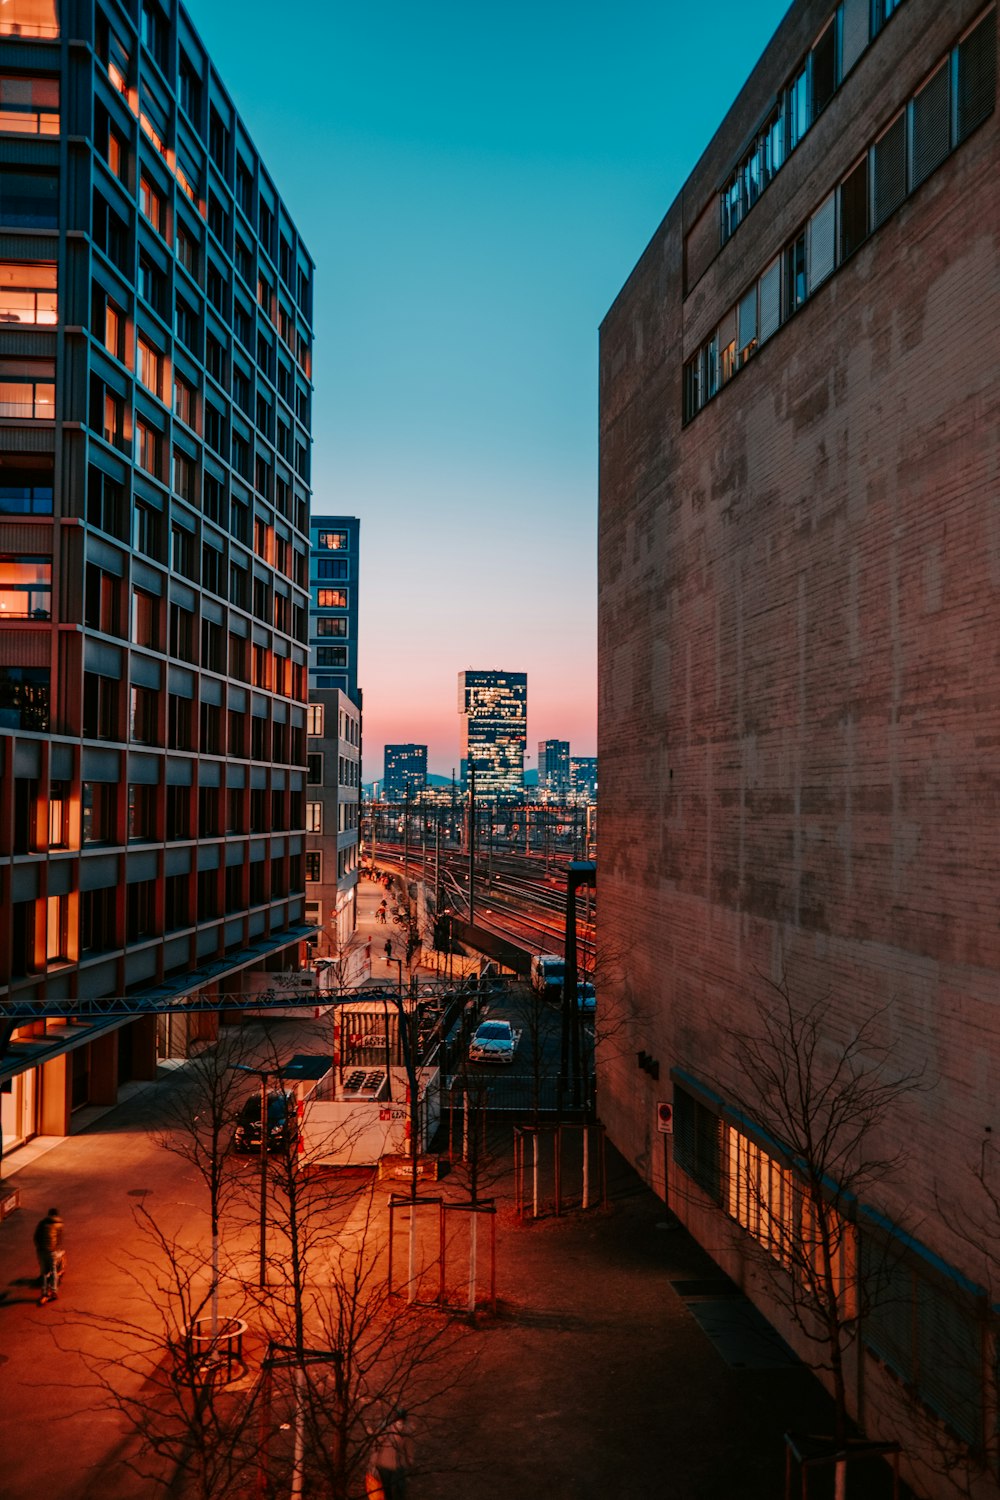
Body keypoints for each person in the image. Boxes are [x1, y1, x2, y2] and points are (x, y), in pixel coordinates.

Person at [373, 1408, 411, 1499]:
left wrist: (409, 1459)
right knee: (387, 1487)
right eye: (398, 1421)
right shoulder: (386, 1429)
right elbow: (377, 1445)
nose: (400, 1424)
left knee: (399, 1486)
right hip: (384, 1463)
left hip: (398, 1463)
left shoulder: (407, 1430)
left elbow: (408, 1446)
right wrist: (373, 1462)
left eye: (402, 1421)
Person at [34, 1206, 64, 1305]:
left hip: (42, 1250)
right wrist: (56, 1247)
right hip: (52, 1251)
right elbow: (60, 1238)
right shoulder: (59, 1224)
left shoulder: (42, 1223)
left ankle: (44, 1292)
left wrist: (39, 1247)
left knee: (44, 1272)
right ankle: (54, 1290)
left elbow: (36, 1236)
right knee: (53, 1270)